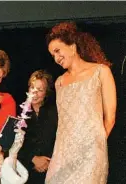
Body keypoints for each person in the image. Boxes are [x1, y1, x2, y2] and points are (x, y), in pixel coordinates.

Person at [45, 22, 117, 184]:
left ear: (72, 46)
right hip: (63, 154)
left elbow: (110, 117)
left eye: (57, 51)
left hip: (90, 153)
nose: (56, 58)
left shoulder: (100, 71)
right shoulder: (59, 82)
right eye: (52, 55)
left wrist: (94, 149)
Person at [18, 70, 58, 184]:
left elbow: (59, 138)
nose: (34, 92)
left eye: (40, 90)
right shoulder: (19, 111)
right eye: (32, 87)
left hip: (51, 167)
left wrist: (47, 162)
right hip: (24, 169)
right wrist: (33, 158)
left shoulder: (54, 111)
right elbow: (12, 142)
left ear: (46, 92)